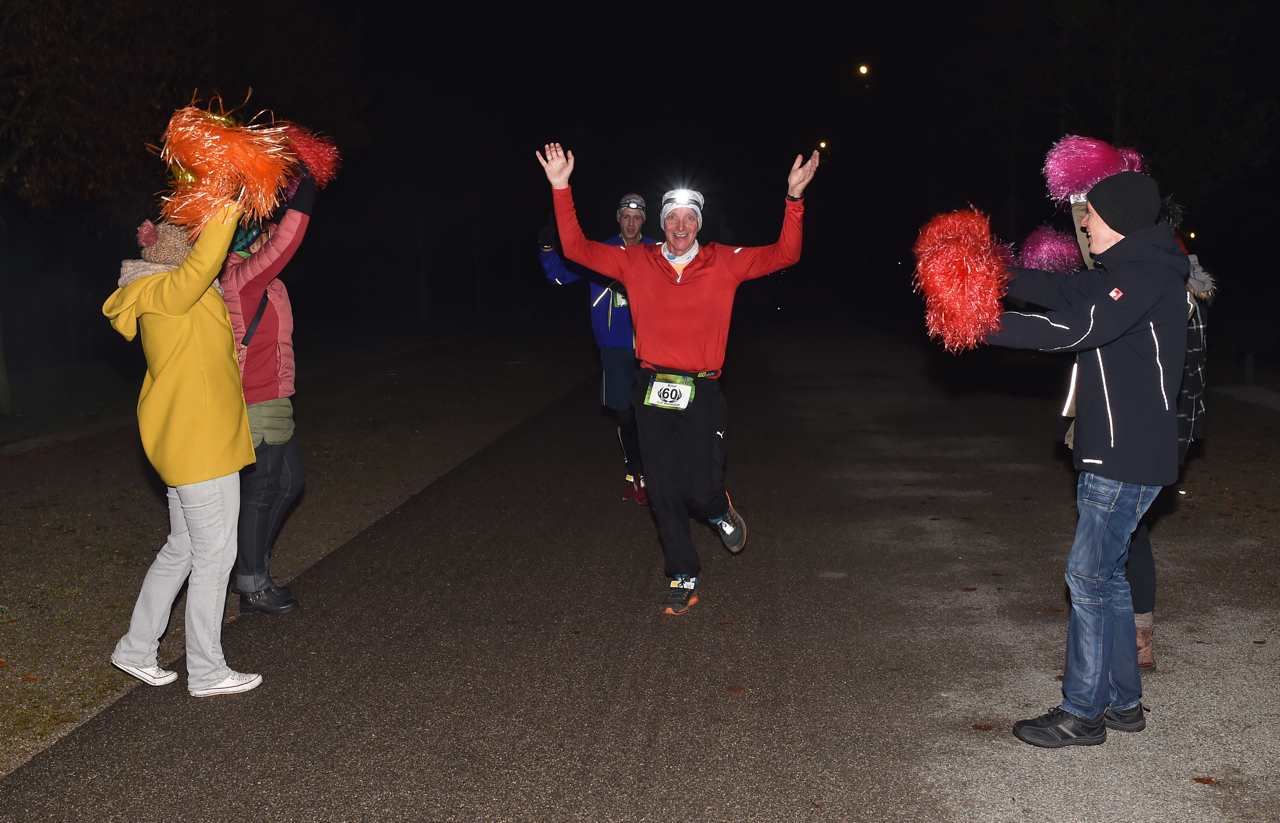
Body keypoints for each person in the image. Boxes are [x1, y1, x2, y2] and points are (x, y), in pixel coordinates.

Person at [536, 142, 819, 615]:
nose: (681, 225)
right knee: (662, 487)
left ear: (698, 224)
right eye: (673, 217)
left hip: (704, 388)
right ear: (661, 223)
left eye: (690, 217)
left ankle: (716, 509)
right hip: (652, 388)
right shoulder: (636, 262)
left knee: (701, 485)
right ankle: (683, 573)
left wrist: (794, 199)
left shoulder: (725, 261)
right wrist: (561, 187)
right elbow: (576, 249)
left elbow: (786, 254)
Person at [986, 171, 1188, 747]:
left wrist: (979, 322)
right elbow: (1065, 294)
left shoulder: (1144, 277)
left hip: (1126, 457)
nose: (1085, 226)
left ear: (1119, 221)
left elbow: (1075, 326)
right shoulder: (1125, 273)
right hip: (1122, 451)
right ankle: (1124, 704)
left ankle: (1084, 713)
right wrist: (988, 276)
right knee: (1111, 578)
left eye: (1092, 216)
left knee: (1089, 576)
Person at [104, 205, 263, 698]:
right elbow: (207, 260)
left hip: (192, 442)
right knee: (215, 555)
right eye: (193, 246)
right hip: (199, 446)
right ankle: (207, 670)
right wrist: (226, 200)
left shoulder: (171, 298)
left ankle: (135, 649)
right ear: (180, 253)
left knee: (184, 548)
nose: (202, 253)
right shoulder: (167, 292)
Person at [219, 170, 317, 615]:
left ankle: (248, 565)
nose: (267, 236)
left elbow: (280, 241)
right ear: (244, 245)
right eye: (258, 234)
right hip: (257, 400)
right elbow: (287, 242)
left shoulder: (265, 281)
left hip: (276, 398)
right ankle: (253, 584)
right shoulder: (241, 279)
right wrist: (310, 188)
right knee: (262, 492)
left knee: (291, 483)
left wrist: (281, 191)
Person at [540, 193, 657, 504]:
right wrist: (547, 247)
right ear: (618, 218)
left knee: (654, 416)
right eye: (625, 217)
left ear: (643, 220)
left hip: (654, 348)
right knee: (626, 415)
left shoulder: (656, 251)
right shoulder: (600, 251)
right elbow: (557, 277)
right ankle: (636, 475)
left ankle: (658, 474)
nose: (631, 223)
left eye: (637, 217)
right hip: (615, 348)